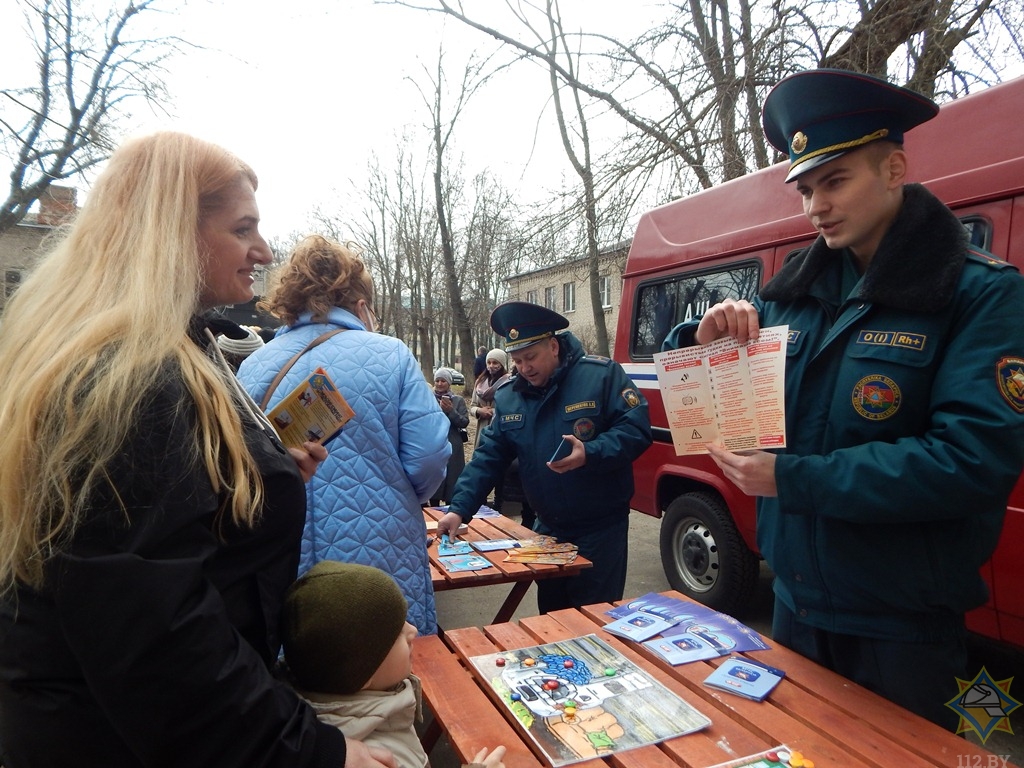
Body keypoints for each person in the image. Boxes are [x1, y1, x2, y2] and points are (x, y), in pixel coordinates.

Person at [0, 132, 394, 766]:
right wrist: (313, 752)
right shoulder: (128, 379)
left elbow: (152, 536)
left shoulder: (161, 347)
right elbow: (156, 635)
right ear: (171, 234)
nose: (263, 250)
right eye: (243, 229)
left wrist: (263, 476)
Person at [662, 69, 1024, 729]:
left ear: (894, 168)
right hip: (796, 610)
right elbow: (718, 411)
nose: (815, 207)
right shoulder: (789, 297)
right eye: (805, 188)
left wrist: (792, 477)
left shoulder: (980, 294)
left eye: (835, 182)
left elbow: (972, 461)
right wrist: (703, 337)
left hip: (902, 628)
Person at [238, 235, 450, 637]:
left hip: (286, 547)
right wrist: (395, 494)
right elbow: (429, 457)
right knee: (385, 655)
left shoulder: (252, 367)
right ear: (360, 305)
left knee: (300, 660)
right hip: (380, 551)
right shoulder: (391, 355)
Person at [437, 302, 652, 613]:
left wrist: (590, 453)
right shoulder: (510, 396)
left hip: (600, 531)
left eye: (531, 357)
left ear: (553, 346)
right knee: (552, 617)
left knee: (594, 621)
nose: (525, 367)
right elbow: (488, 457)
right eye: (518, 360)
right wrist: (459, 509)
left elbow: (636, 430)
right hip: (548, 530)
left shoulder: (600, 376)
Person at [281, 561, 507, 768]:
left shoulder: (301, 723)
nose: (413, 631)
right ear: (363, 671)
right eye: (398, 632)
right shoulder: (374, 757)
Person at [428, 367, 470, 506]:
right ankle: (433, 507)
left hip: (453, 444)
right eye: (437, 381)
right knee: (435, 478)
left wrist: (451, 410)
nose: (440, 384)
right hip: (434, 443)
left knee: (452, 479)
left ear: (449, 383)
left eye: (443, 381)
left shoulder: (458, 400)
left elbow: (464, 421)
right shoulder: (428, 399)